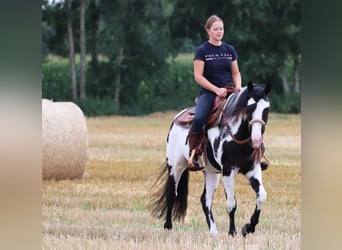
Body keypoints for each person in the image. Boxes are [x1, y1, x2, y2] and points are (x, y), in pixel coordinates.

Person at [188, 14, 242, 170]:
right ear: (208, 30)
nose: (219, 32)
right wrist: (216, 90)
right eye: (216, 29)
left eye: (221, 29)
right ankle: (194, 153)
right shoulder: (202, 51)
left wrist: (238, 85)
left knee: (249, 113)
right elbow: (198, 76)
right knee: (199, 118)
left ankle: (256, 151)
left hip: (230, 91)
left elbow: (236, 73)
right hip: (209, 92)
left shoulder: (229, 50)